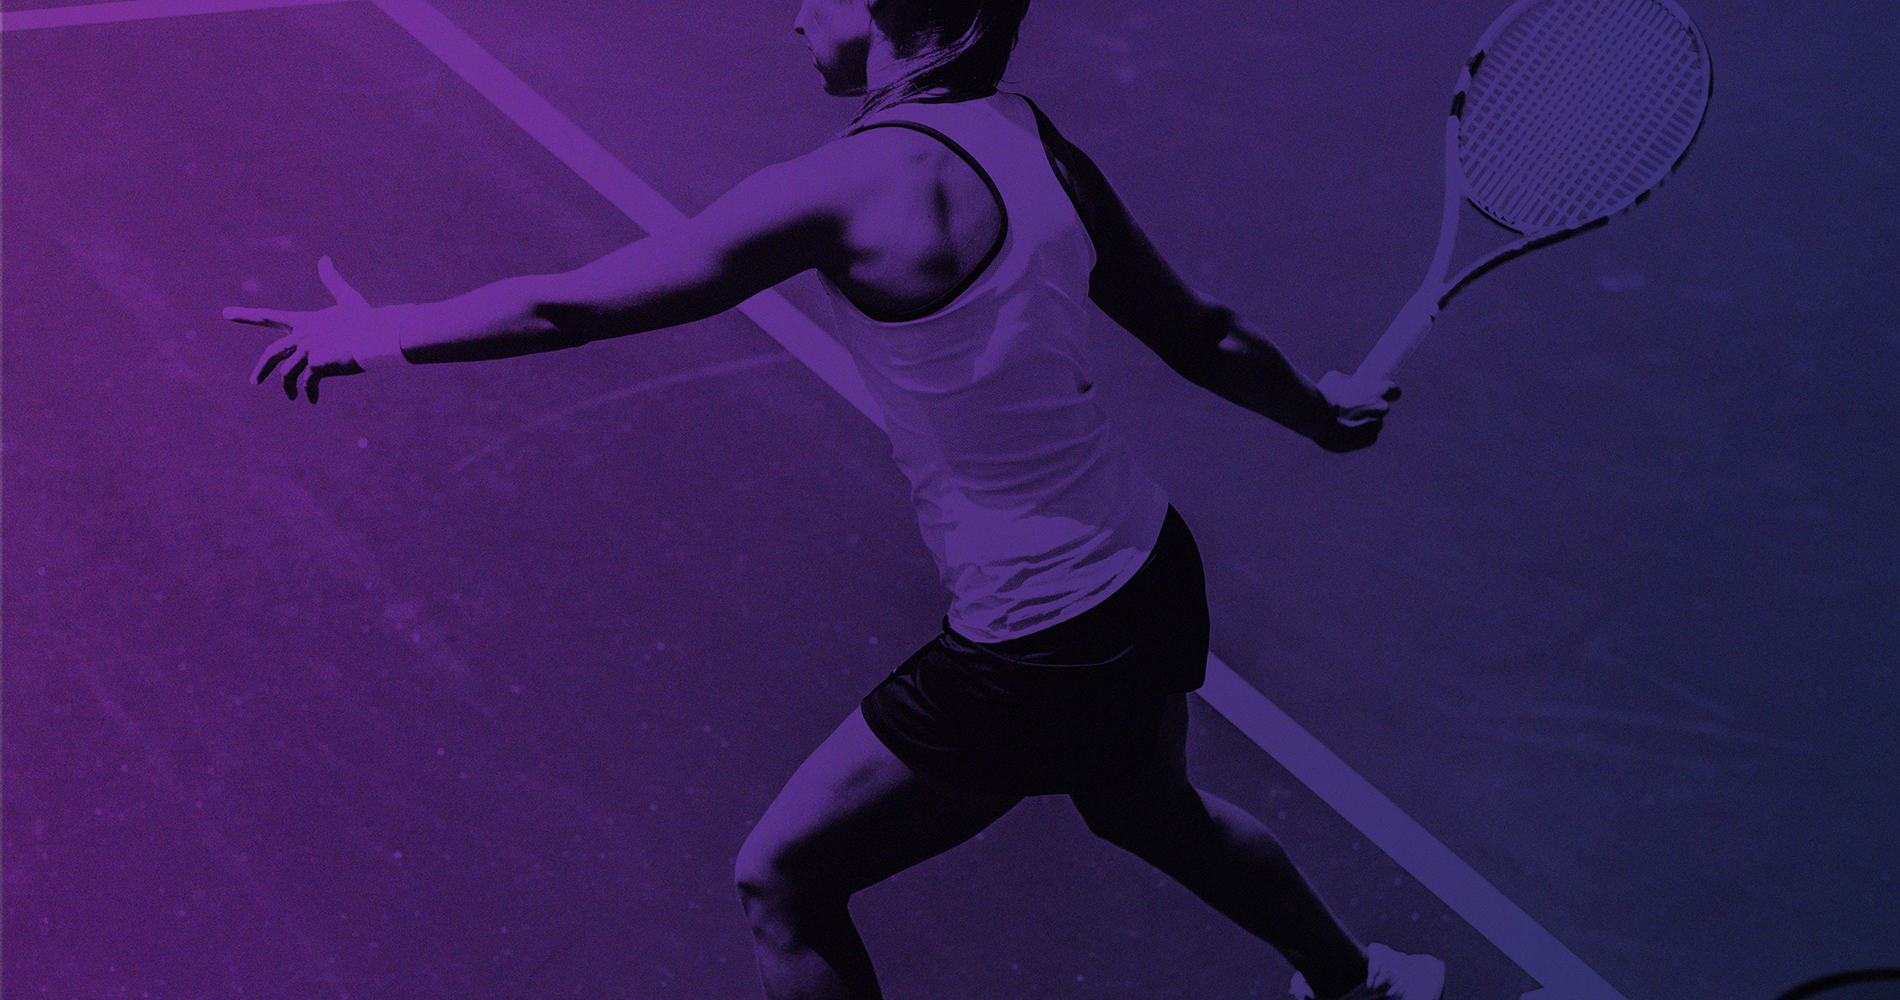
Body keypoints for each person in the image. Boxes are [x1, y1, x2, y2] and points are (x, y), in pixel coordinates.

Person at [228, 1, 1444, 997]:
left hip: (1035, 635)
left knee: (784, 882)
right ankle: (1360, 982)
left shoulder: (844, 188)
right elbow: (1203, 335)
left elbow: (575, 304)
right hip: (1142, 565)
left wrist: (380, 332)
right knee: (1152, 814)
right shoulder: (1032, 136)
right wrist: (1318, 412)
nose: (791, 14)